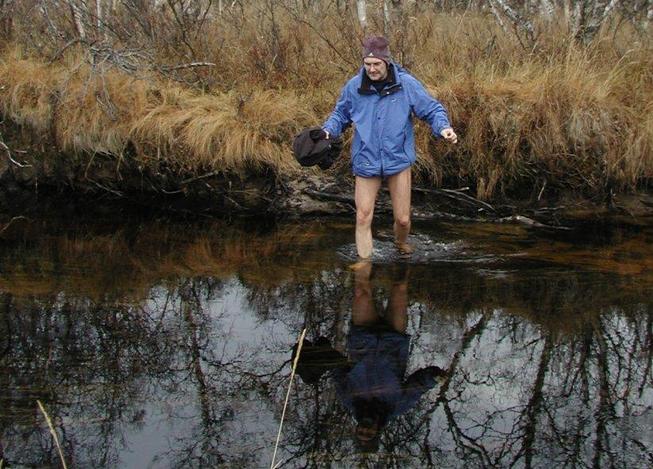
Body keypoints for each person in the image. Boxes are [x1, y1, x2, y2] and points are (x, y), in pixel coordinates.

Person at [322, 36, 458, 260]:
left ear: (387, 62)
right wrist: (328, 131)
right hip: (366, 158)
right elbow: (340, 115)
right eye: (368, 65)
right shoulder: (354, 87)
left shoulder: (406, 85)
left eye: (376, 65)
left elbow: (432, 109)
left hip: (398, 159)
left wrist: (443, 128)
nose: (372, 70)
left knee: (403, 219)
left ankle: (400, 244)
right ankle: (364, 267)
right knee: (363, 216)